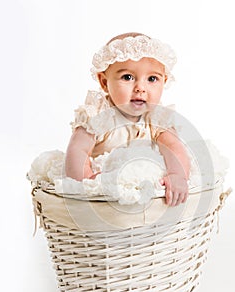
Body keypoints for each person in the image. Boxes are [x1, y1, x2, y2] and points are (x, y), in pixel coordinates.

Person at [65, 32, 190, 207]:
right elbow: (78, 150)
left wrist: (177, 175)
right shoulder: (98, 114)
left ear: (164, 81)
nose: (140, 88)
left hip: (144, 189)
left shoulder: (157, 118)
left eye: (152, 79)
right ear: (104, 82)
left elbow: (174, 147)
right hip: (105, 190)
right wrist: (86, 181)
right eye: (127, 77)